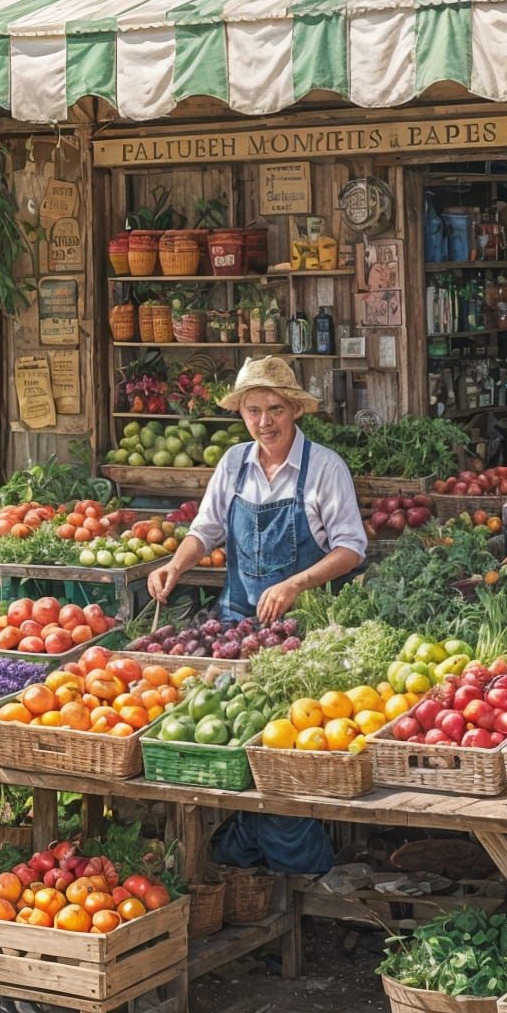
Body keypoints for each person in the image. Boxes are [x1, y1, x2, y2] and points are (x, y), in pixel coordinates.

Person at [147, 357, 367, 876]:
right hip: (235, 632)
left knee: (280, 758)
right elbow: (207, 529)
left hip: (301, 641)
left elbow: (351, 547)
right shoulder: (235, 464)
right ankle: (239, 861)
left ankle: (294, 869)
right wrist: (174, 566)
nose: (264, 421)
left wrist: (296, 582)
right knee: (230, 746)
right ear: (242, 415)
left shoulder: (325, 468)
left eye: (274, 409)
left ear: (294, 410)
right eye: (252, 410)